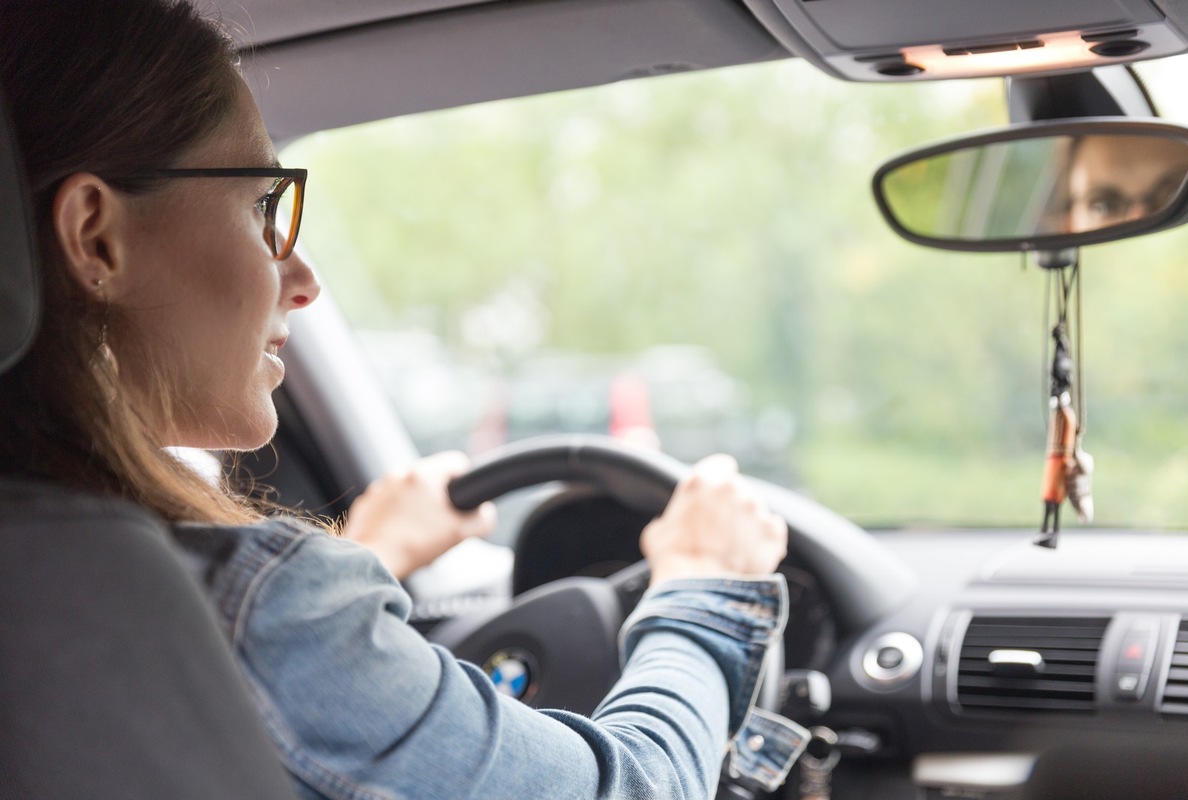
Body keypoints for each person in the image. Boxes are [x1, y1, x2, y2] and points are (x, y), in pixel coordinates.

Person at [0, 1, 807, 799]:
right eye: (260, 207)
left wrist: (362, 559)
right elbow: (640, 788)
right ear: (95, 236)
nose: (306, 282)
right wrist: (704, 586)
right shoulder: (252, 607)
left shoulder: (70, 586)